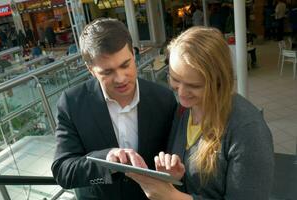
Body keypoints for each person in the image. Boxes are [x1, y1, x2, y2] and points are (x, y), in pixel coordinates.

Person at [118, 27, 274, 200]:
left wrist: (173, 197)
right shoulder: (185, 110)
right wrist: (173, 177)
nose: (182, 93)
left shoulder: (247, 130)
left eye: (194, 86)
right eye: (175, 79)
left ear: (219, 81)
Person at [51, 18, 178, 200]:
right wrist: (107, 160)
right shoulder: (71, 103)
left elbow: (176, 153)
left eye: (125, 65)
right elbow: (63, 170)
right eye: (107, 72)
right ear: (91, 70)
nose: (120, 78)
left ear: (134, 55)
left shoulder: (164, 99)